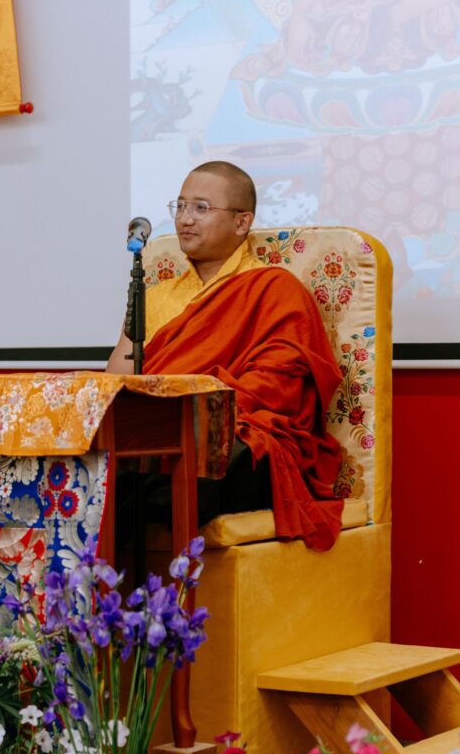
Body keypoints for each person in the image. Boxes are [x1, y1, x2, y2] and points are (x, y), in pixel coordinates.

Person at [107, 161, 343, 550]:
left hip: (234, 433)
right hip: (158, 434)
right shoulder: (156, 297)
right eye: (180, 207)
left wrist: (189, 411)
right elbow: (114, 382)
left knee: (210, 453)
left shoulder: (274, 290)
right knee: (111, 465)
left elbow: (277, 390)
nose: (185, 220)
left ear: (241, 222)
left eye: (201, 208)